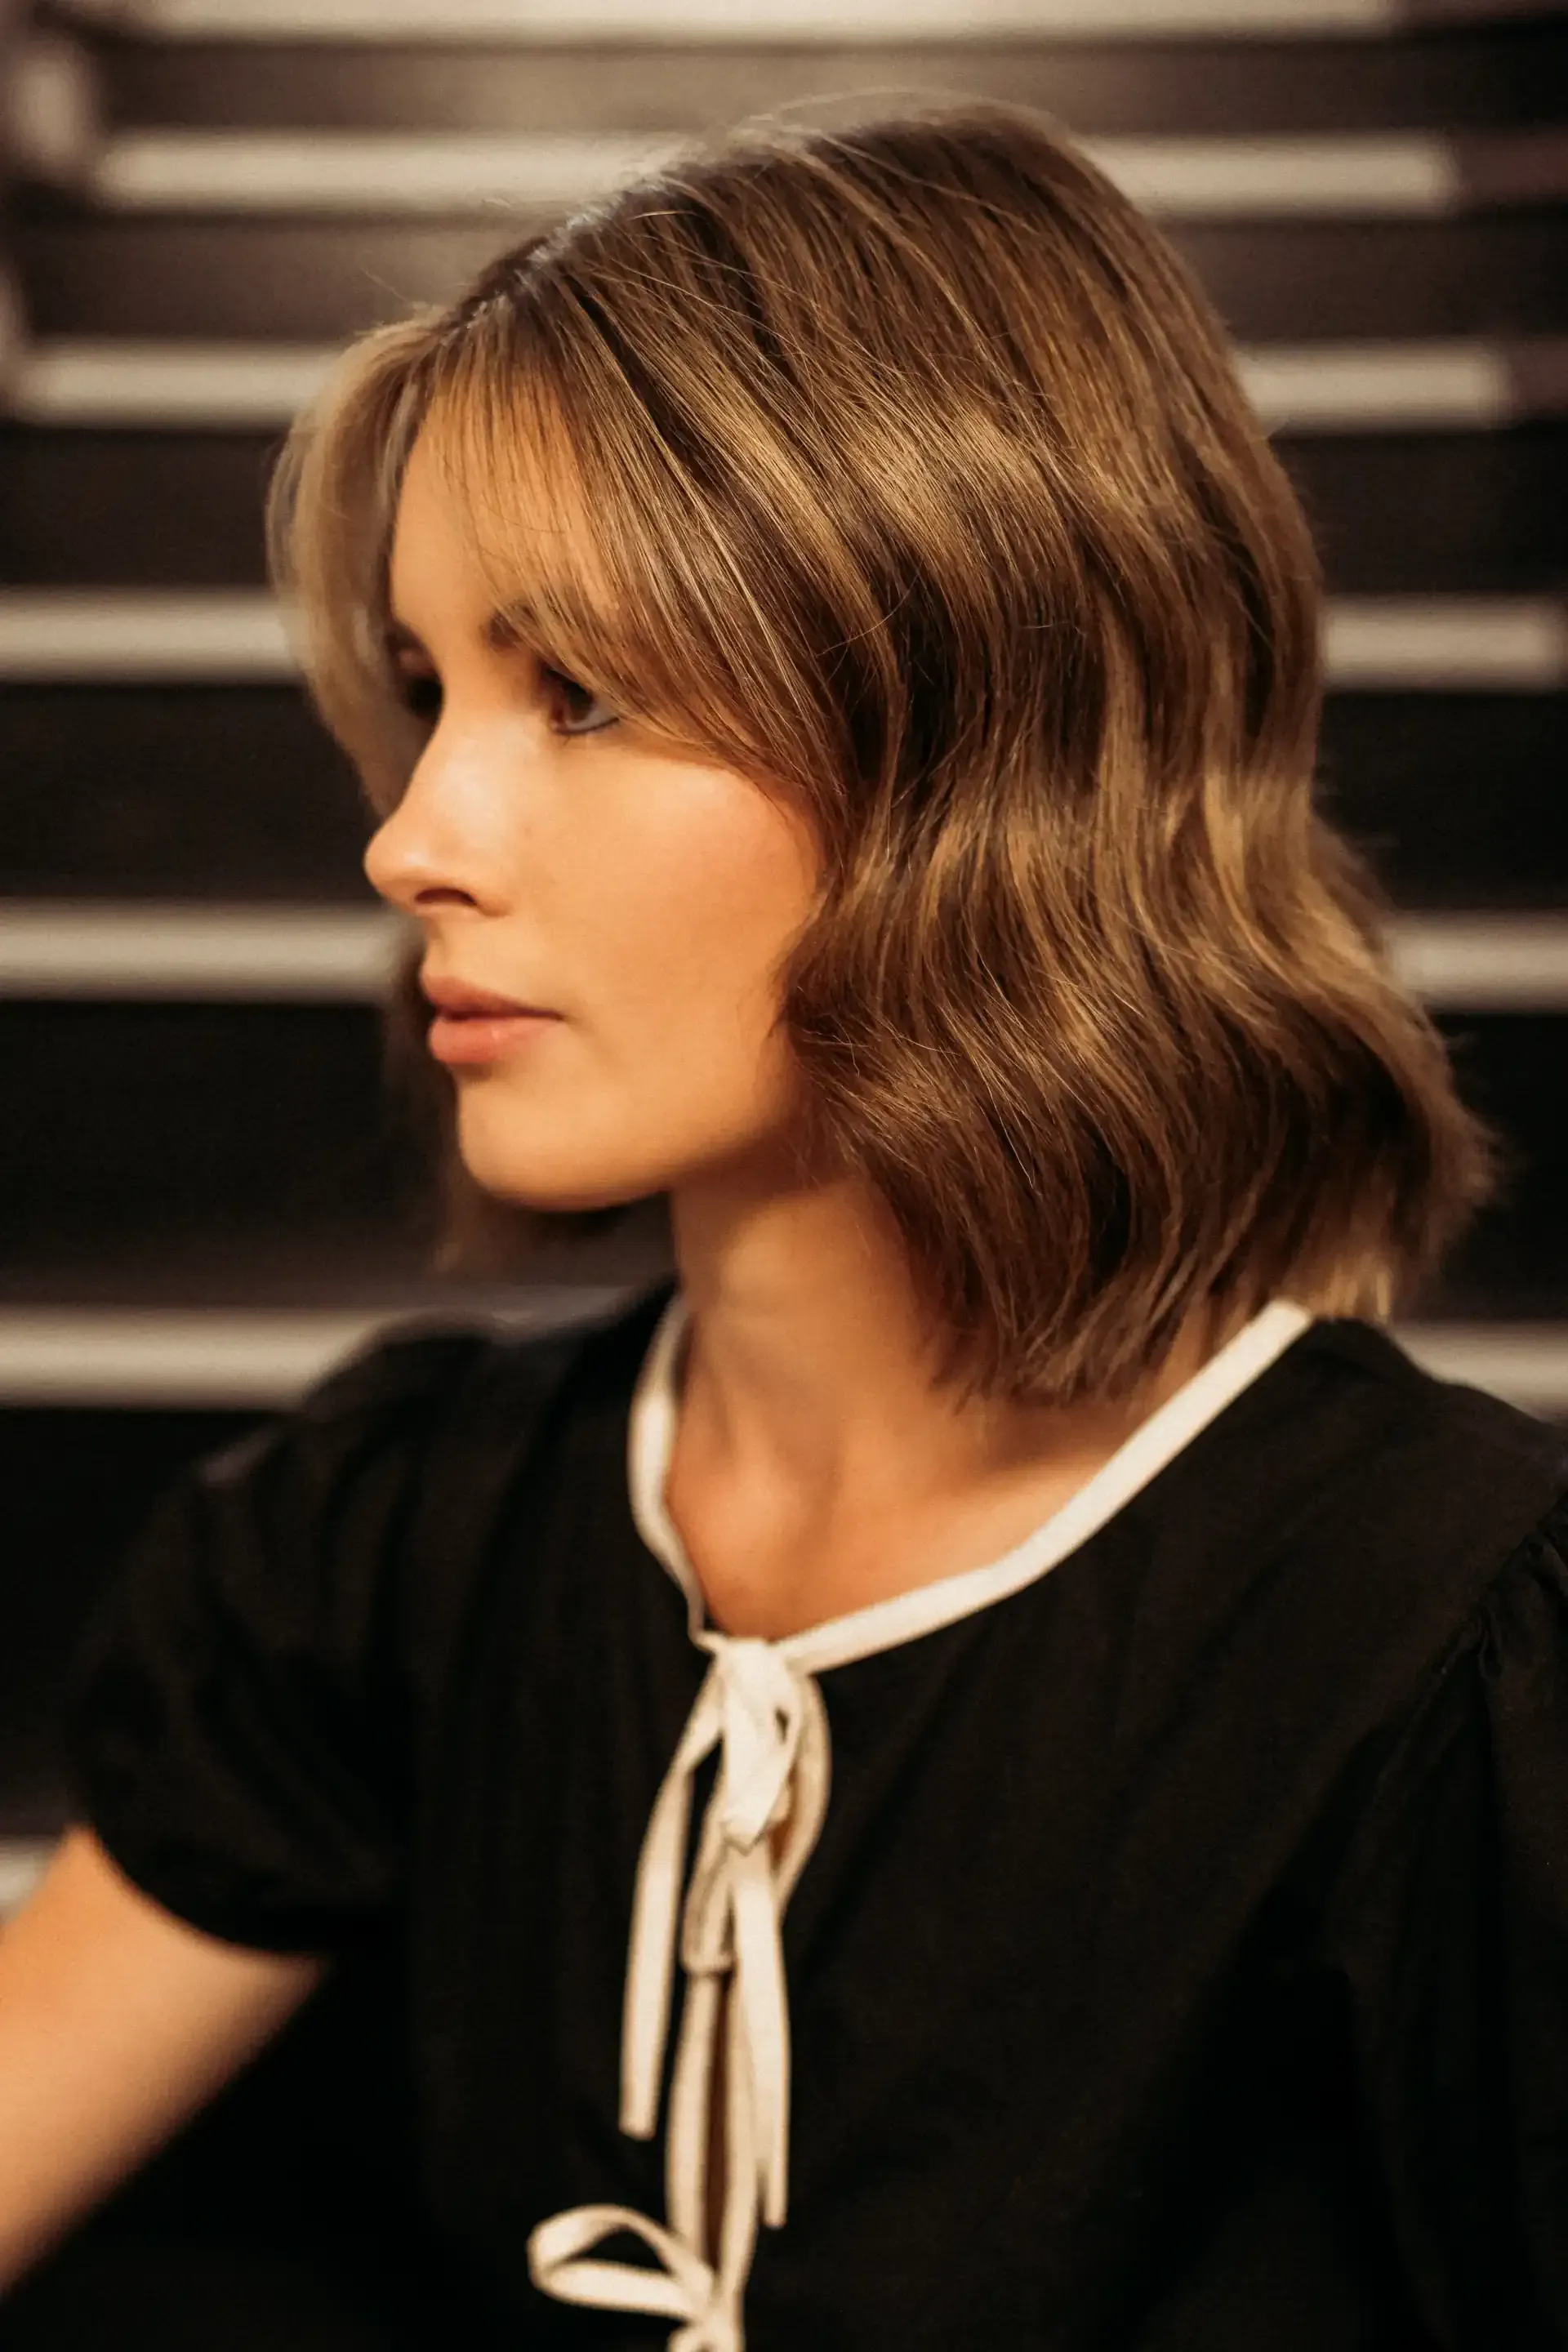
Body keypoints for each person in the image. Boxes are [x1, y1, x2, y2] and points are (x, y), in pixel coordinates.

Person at [1, 100, 1565, 2352]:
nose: (411, 835)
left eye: (589, 692)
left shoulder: (1437, 1656)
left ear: (986, 735)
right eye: (432, 688)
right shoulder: (392, 1543)